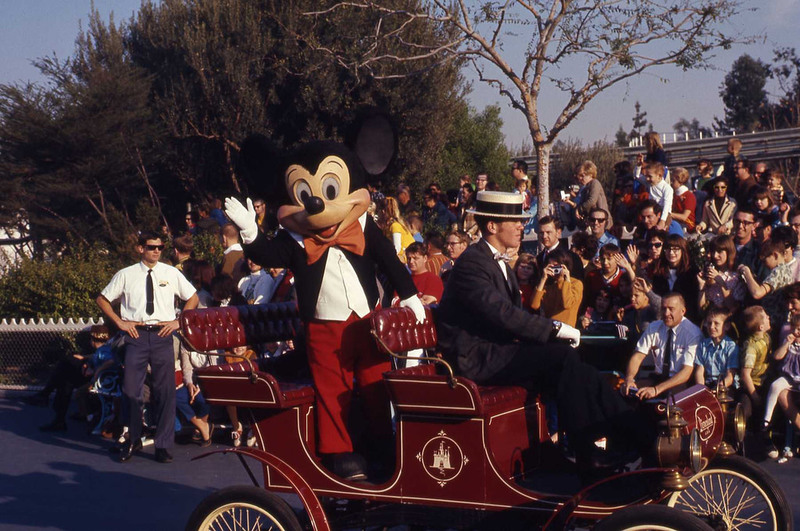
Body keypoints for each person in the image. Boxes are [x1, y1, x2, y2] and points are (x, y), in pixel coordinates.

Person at [436, 190, 642, 475]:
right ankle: (596, 450)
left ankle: (625, 431)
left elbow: (513, 316)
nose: (523, 226)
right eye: (516, 221)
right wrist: (554, 329)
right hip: (478, 359)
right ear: (492, 226)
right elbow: (504, 315)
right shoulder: (472, 263)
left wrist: (555, 332)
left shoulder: (498, 262)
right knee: (561, 357)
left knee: (575, 364)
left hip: (498, 350)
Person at [96, 230, 199, 463]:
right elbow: (102, 299)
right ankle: (133, 439)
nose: (156, 251)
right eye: (152, 247)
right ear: (140, 248)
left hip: (163, 335)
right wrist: (120, 322)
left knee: (165, 391)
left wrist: (178, 321)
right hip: (136, 335)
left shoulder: (171, 273)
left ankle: (163, 445)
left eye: (160, 247)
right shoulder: (126, 274)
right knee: (131, 391)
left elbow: (192, 297)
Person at [34, 325, 116, 432]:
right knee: (66, 374)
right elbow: (97, 356)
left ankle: (46, 395)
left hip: (101, 380)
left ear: (92, 339)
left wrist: (96, 371)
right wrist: (86, 360)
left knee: (66, 365)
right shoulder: (105, 348)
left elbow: (111, 361)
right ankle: (48, 399)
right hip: (97, 377)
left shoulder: (105, 350)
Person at [622, 293, 703, 400]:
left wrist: (656, 390)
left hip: (680, 382)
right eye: (663, 309)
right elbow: (637, 356)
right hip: (657, 378)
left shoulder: (693, 333)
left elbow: (686, 372)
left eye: (671, 309)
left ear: (683, 311)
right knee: (627, 391)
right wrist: (629, 379)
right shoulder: (654, 327)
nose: (666, 313)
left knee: (670, 401)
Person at [761, 313, 800, 439]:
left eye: (799, 329)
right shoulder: (789, 341)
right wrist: (786, 344)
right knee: (775, 385)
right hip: (789, 377)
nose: (795, 331)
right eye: (793, 328)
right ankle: (767, 420)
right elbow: (777, 356)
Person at [650, 235, 700, 321]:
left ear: (682, 251)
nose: (671, 253)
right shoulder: (659, 273)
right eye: (668, 249)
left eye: (675, 249)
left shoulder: (692, 273)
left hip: (687, 319)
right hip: (663, 318)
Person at [531, 248, 584, 327]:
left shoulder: (576, 284)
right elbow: (534, 305)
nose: (555, 270)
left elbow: (567, 304)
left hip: (567, 330)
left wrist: (565, 279)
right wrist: (543, 279)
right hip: (550, 328)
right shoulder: (548, 287)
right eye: (551, 267)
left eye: (557, 267)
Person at [739, 306, 771, 426]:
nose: (769, 317)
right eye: (766, 317)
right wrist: (755, 396)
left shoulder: (767, 337)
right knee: (746, 412)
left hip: (764, 382)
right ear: (761, 327)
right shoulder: (751, 348)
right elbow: (745, 374)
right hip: (751, 386)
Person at [698, 235, 745, 314]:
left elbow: (733, 308)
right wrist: (702, 287)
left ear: (728, 252)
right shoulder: (708, 273)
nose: (715, 255)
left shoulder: (736, 277)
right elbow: (701, 311)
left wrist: (721, 282)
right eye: (713, 251)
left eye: (719, 252)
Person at [693, 308, 738, 389]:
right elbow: (699, 372)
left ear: (726, 326)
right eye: (709, 323)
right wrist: (702, 389)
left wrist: (717, 389)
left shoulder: (731, 347)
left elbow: (730, 377)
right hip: (708, 385)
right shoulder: (703, 345)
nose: (711, 327)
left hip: (725, 386)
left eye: (716, 323)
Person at [535, 215, 584, 280]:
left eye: (548, 232)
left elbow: (577, 285)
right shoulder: (538, 259)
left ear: (558, 233)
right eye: (541, 233)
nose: (544, 236)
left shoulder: (572, 257)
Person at [378, 196, 415, 263]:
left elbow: (397, 248)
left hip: (406, 260)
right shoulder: (388, 227)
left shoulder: (395, 226)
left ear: (383, 211)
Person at [669, 167, 696, 233]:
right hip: (676, 224)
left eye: (673, 180)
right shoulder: (673, 194)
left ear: (680, 181)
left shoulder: (688, 196)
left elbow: (684, 217)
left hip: (688, 227)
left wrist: (668, 214)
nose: (671, 183)